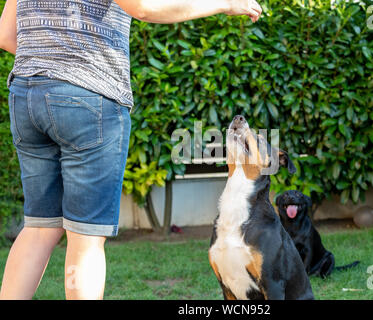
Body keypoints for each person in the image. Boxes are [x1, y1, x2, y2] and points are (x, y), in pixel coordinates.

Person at [0, 0, 262, 300]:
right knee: (86, 240)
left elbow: (6, 35)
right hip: (88, 95)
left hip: (26, 93)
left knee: (38, 228)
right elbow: (144, 7)